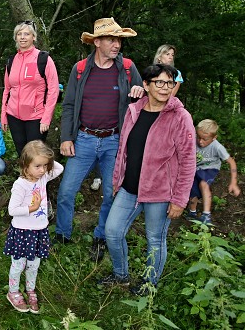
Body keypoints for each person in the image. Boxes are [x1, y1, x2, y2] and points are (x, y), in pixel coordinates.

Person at [100, 64, 196, 295]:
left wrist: (180, 200)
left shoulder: (180, 117)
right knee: (112, 232)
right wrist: (116, 182)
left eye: (169, 83)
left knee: (155, 239)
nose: (165, 88)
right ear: (146, 85)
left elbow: (188, 162)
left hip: (161, 192)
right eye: (159, 82)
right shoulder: (134, 111)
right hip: (129, 187)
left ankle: (148, 285)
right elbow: (122, 150)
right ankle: (121, 275)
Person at [56, 17, 145, 262]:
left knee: (111, 192)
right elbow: (70, 105)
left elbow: (144, 103)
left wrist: (141, 93)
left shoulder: (127, 68)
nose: (117, 45)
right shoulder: (81, 69)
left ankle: (101, 236)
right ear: (97, 42)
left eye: (119, 40)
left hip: (114, 141)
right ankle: (63, 234)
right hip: (83, 138)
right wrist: (67, 138)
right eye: (111, 39)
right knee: (66, 191)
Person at [4, 140, 63, 313]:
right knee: (18, 265)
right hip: (23, 232)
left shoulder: (43, 177)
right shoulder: (20, 185)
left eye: (45, 165)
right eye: (38, 166)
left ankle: (30, 289)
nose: (43, 170)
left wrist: (43, 153)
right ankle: (13, 291)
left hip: (39, 231)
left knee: (34, 264)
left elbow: (59, 169)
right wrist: (33, 208)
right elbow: (12, 210)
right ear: (25, 164)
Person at [1, 21, 60, 156]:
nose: (22, 37)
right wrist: (4, 115)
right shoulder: (11, 61)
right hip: (14, 116)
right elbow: (7, 90)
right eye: (19, 34)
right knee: (22, 155)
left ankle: (39, 177)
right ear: (15, 38)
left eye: (26, 34)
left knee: (36, 156)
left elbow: (53, 90)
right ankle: (25, 177)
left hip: (36, 116)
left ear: (33, 37)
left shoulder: (43, 59)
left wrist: (46, 118)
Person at [187, 119, 241, 224]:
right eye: (198, 137)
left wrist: (234, 183)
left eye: (205, 139)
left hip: (210, 168)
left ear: (214, 138)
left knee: (203, 183)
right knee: (193, 190)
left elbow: (231, 162)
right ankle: (192, 212)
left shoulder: (217, 147)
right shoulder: (193, 139)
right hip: (196, 169)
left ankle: (206, 215)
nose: (200, 141)